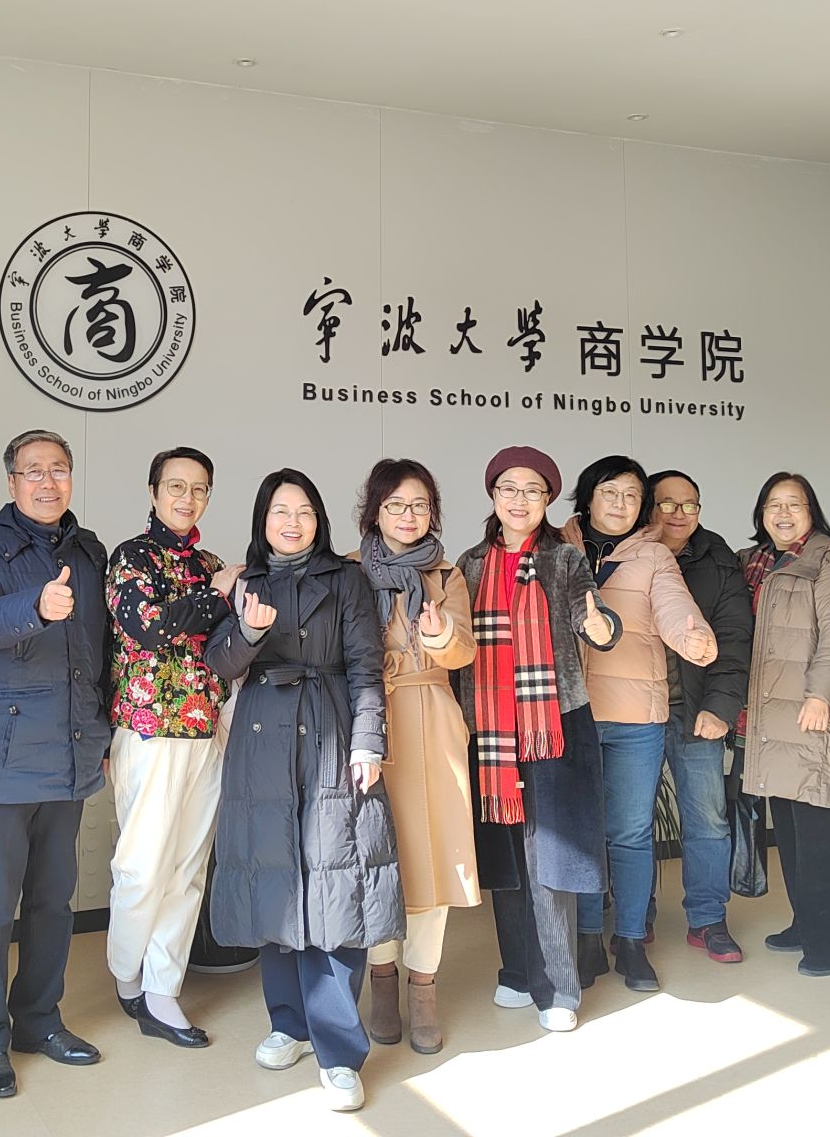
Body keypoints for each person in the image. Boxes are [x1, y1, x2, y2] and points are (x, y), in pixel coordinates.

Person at [205, 469, 401, 1112]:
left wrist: (368, 741)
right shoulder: (247, 582)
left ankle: (339, 1051)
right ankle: (287, 1023)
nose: (293, 523)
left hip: (330, 728)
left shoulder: (345, 579)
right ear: (262, 521)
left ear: (320, 521)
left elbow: (366, 664)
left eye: (305, 512)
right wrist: (248, 632)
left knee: (337, 881)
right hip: (262, 739)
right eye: (280, 512)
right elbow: (219, 662)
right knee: (275, 879)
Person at [0, 430, 112, 1098]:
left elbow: (104, 649)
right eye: (34, 471)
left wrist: (104, 732)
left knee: (52, 902)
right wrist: (37, 607)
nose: (48, 482)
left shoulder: (90, 551)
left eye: (59, 470)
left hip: (71, 752)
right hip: (5, 759)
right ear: (12, 482)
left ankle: (40, 1021)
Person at [456, 446, 621, 1033]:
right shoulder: (470, 563)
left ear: (548, 498)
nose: (520, 499)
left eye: (533, 489)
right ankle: (517, 970)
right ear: (493, 495)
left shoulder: (564, 558)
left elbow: (592, 618)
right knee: (505, 857)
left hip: (553, 724)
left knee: (550, 858)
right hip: (490, 725)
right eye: (509, 488)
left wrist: (600, 625)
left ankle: (558, 987)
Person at [561, 456, 718, 992]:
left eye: (631, 495)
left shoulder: (654, 555)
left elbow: (674, 607)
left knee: (630, 834)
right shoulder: (558, 546)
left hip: (636, 719)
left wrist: (693, 637)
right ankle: (587, 939)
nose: (621, 504)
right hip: (573, 713)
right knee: (583, 833)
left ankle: (629, 939)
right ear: (588, 497)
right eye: (610, 492)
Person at [103, 446, 235, 1049]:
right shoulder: (132, 556)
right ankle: (126, 972)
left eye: (199, 488)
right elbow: (148, 627)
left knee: (186, 869)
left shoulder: (210, 563)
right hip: (151, 730)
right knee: (141, 866)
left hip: (206, 730)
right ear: (154, 491)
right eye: (176, 486)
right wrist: (217, 596)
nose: (187, 497)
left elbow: (229, 644)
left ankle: (162, 988)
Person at [349, 457, 478, 1055]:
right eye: (396, 504)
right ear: (374, 512)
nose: (408, 515)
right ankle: (382, 978)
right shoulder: (349, 571)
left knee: (432, 857)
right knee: (374, 856)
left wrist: (437, 634)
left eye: (420, 505)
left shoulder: (446, 575)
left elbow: (463, 650)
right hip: (368, 724)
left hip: (430, 721)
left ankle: (422, 986)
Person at [738, 472, 830, 978]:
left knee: (823, 835)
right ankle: (807, 923)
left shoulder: (827, 559)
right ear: (761, 513)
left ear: (811, 511)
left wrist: (821, 694)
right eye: (773, 504)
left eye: (794, 504)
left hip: (814, 714)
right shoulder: (758, 563)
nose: (783, 513)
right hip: (775, 719)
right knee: (793, 832)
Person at [646, 470, 754, 965]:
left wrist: (720, 707)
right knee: (630, 822)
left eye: (689, 504)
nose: (678, 514)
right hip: (635, 714)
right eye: (666, 503)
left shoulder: (718, 561)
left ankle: (708, 918)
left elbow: (734, 639)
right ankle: (634, 917)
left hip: (696, 712)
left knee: (707, 819)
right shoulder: (625, 554)